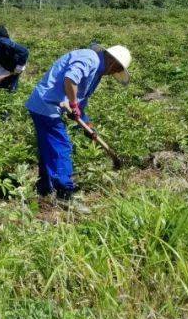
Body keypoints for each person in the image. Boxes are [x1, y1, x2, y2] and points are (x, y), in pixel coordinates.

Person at [25, 45, 131, 202]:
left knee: (49, 146)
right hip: (47, 105)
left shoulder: (97, 73)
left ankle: (45, 188)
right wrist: (73, 104)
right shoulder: (90, 58)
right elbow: (70, 79)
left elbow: (81, 99)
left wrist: (88, 125)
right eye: (116, 70)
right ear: (113, 63)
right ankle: (65, 192)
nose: (113, 73)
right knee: (61, 145)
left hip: (46, 105)